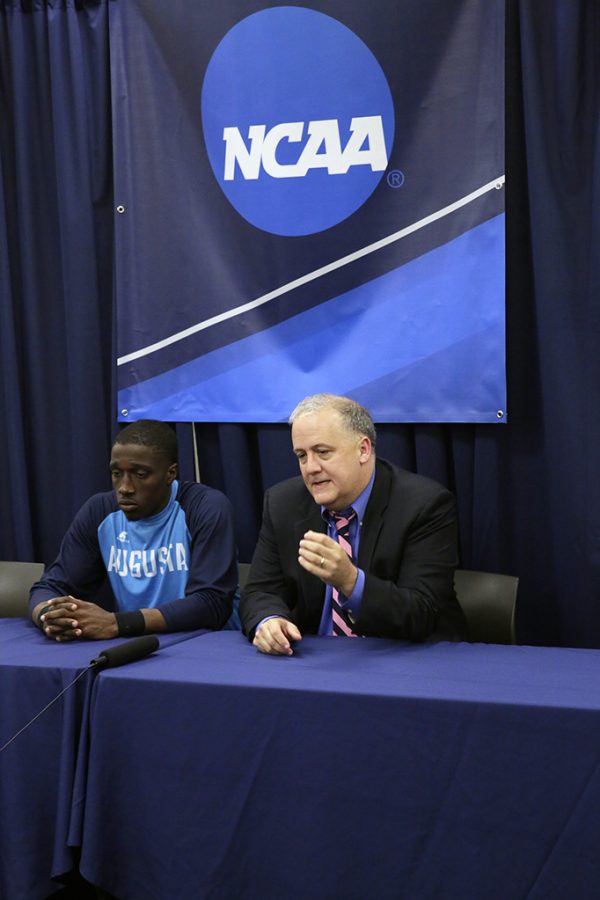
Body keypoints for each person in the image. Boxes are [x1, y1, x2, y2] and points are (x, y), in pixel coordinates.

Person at [240, 394, 467, 655]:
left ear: (363, 449)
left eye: (322, 452)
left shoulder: (424, 504)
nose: (310, 468)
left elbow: (422, 612)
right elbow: (259, 591)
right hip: (313, 661)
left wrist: (350, 581)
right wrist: (268, 621)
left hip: (406, 659)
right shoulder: (283, 503)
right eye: (302, 456)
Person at [30, 420, 238, 641]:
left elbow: (211, 603)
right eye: (117, 473)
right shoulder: (100, 511)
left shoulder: (205, 507)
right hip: (136, 642)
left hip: (207, 643)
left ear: (170, 473)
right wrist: (50, 617)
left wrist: (118, 623)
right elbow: (51, 586)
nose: (125, 488)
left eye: (140, 474)